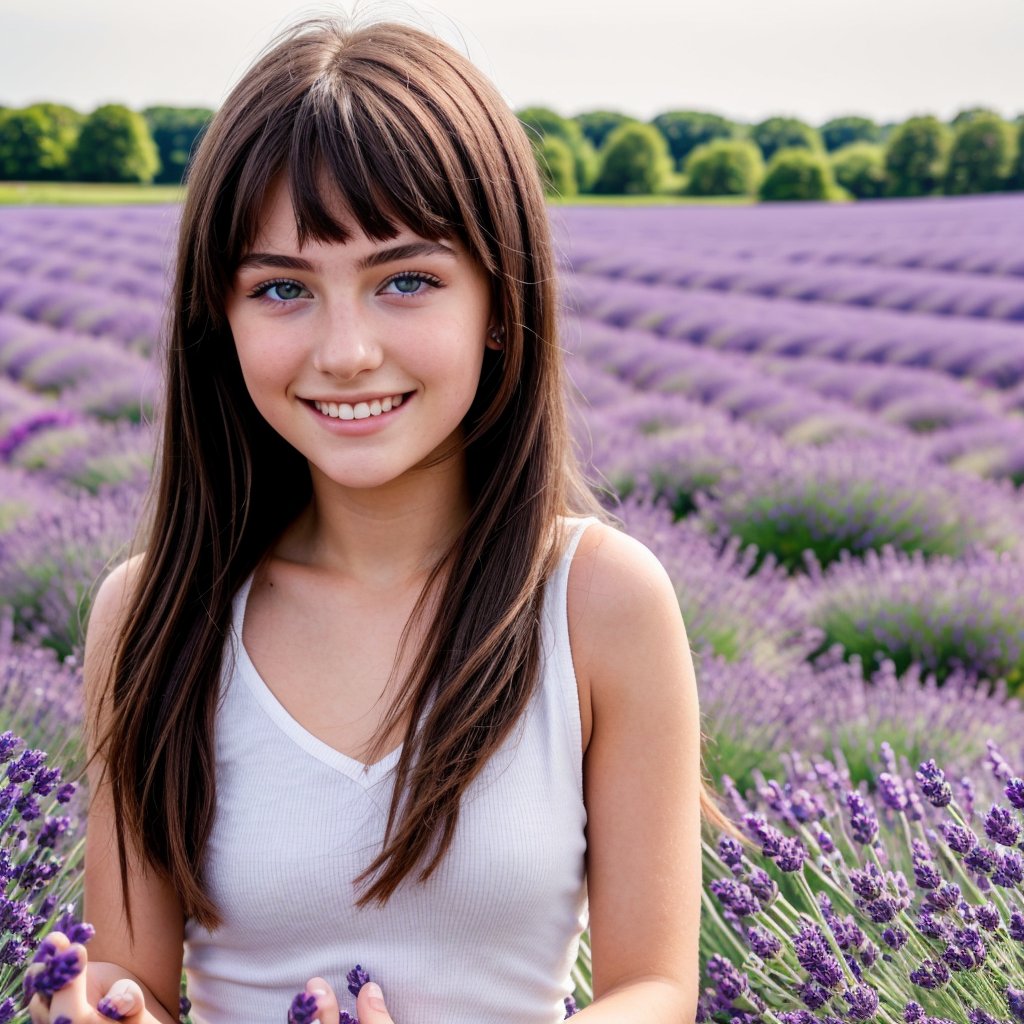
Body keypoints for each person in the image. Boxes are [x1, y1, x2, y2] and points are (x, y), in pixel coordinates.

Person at [27, 14, 718, 1024]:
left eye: (406, 281)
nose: (345, 349)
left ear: (499, 301)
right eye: (281, 288)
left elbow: (655, 989)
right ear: (218, 321)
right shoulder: (149, 615)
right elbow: (132, 974)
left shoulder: (598, 600)